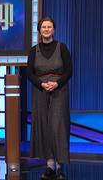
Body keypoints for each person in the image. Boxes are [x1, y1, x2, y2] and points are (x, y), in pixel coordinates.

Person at [26, 17, 73, 180]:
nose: (46, 29)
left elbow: (69, 71)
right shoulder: (34, 50)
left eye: (49, 27)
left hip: (59, 91)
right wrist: (42, 84)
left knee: (58, 126)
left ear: (54, 29)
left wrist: (56, 83)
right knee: (44, 126)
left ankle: (60, 166)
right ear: (39, 30)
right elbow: (29, 73)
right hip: (40, 92)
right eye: (44, 27)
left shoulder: (62, 48)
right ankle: (50, 166)